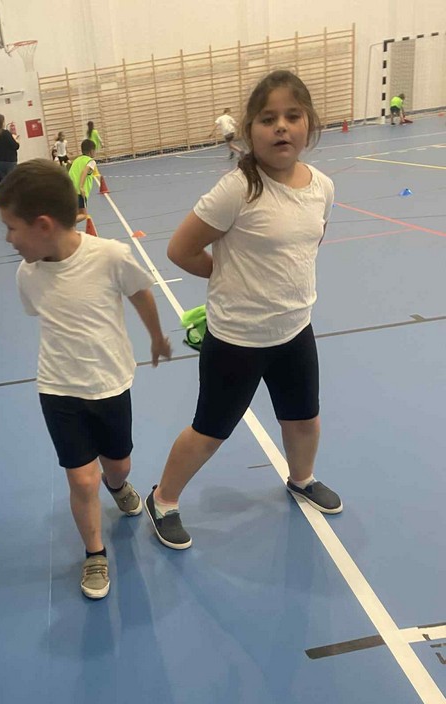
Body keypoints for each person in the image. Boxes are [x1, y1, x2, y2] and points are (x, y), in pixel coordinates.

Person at [146, 69, 342, 551]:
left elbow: (309, 244)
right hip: (238, 338)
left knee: (304, 418)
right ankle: (163, 499)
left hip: (295, 329)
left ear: (309, 123)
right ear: (250, 130)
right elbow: (180, 250)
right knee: (211, 431)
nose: (281, 127)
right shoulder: (238, 189)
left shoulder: (322, 187)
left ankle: (301, 478)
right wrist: (228, 276)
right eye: (268, 119)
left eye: (292, 116)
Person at [0, 160, 172, 599]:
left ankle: (119, 485)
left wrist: (156, 337)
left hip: (110, 384)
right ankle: (95, 553)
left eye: (11, 228)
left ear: (43, 225)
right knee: (81, 480)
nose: (8, 239)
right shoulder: (27, 275)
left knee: (118, 465)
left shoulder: (109, 255)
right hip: (58, 389)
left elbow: (140, 292)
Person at [68, 139, 98, 223]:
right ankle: (66, 224)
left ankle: (70, 228)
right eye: (95, 150)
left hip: (69, 190)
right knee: (83, 214)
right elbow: (84, 171)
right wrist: (81, 187)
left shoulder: (77, 160)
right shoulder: (91, 161)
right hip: (79, 192)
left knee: (76, 213)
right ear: (91, 151)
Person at [0, 114, 19, 181]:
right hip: (10, 161)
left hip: (0, 161)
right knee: (13, 181)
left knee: (4, 181)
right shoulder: (5, 133)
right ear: (1, 122)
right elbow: (15, 146)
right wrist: (16, 139)